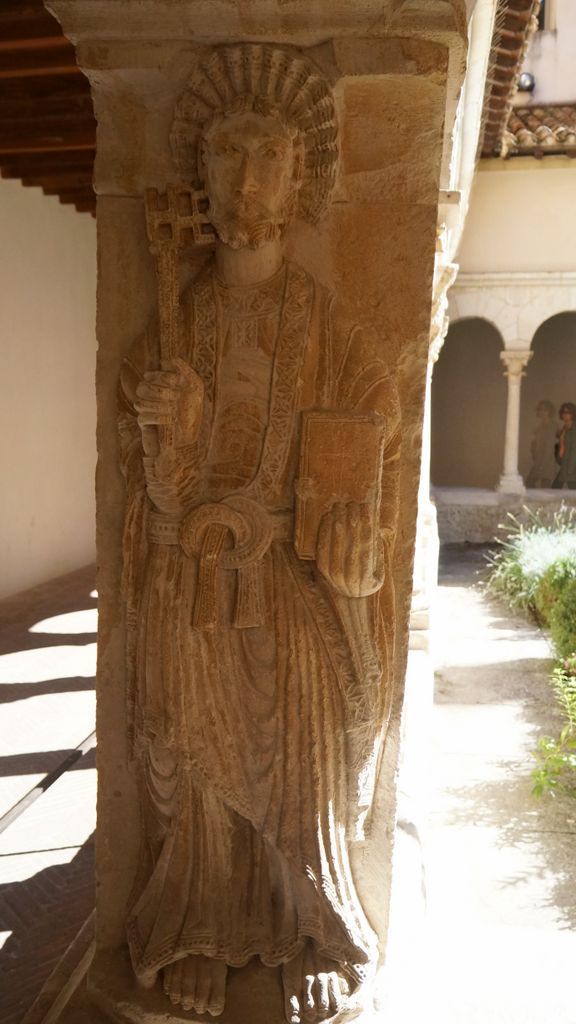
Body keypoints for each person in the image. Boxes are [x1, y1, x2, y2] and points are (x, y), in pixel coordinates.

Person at [118, 44, 400, 1024]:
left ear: (304, 172)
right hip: (198, 579)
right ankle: (201, 923)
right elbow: (160, 497)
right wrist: (169, 444)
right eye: (228, 151)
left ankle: (304, 930)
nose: (248, 174)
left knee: (301, 749)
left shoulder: (329, 328)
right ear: (199, 174)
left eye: (270, 152)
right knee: (196, 755)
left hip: (286, 576)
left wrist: (347, 546)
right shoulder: (178, 319)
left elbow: (365, 439)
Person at [526, 399, 557, 488]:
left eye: (545, 410)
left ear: (549, 411)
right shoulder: (540, 427)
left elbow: (550, 447)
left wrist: (542, 464)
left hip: (547, 461)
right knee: (530, 483)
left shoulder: (552, 426)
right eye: (540, 409)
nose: (541, 412)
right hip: (539, 460)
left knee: (544, 486)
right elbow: (535, 444)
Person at [553, 401, 576, 489]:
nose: (565, 415)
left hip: (572, 467)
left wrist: (570, 469)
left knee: (556, 488)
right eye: (563, 412)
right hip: (564, 465)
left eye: (568, 413)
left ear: (573, 414)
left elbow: (574, 450)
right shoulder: (564, 428)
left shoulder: (574, 429)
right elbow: (562, 447)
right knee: (556, 488)